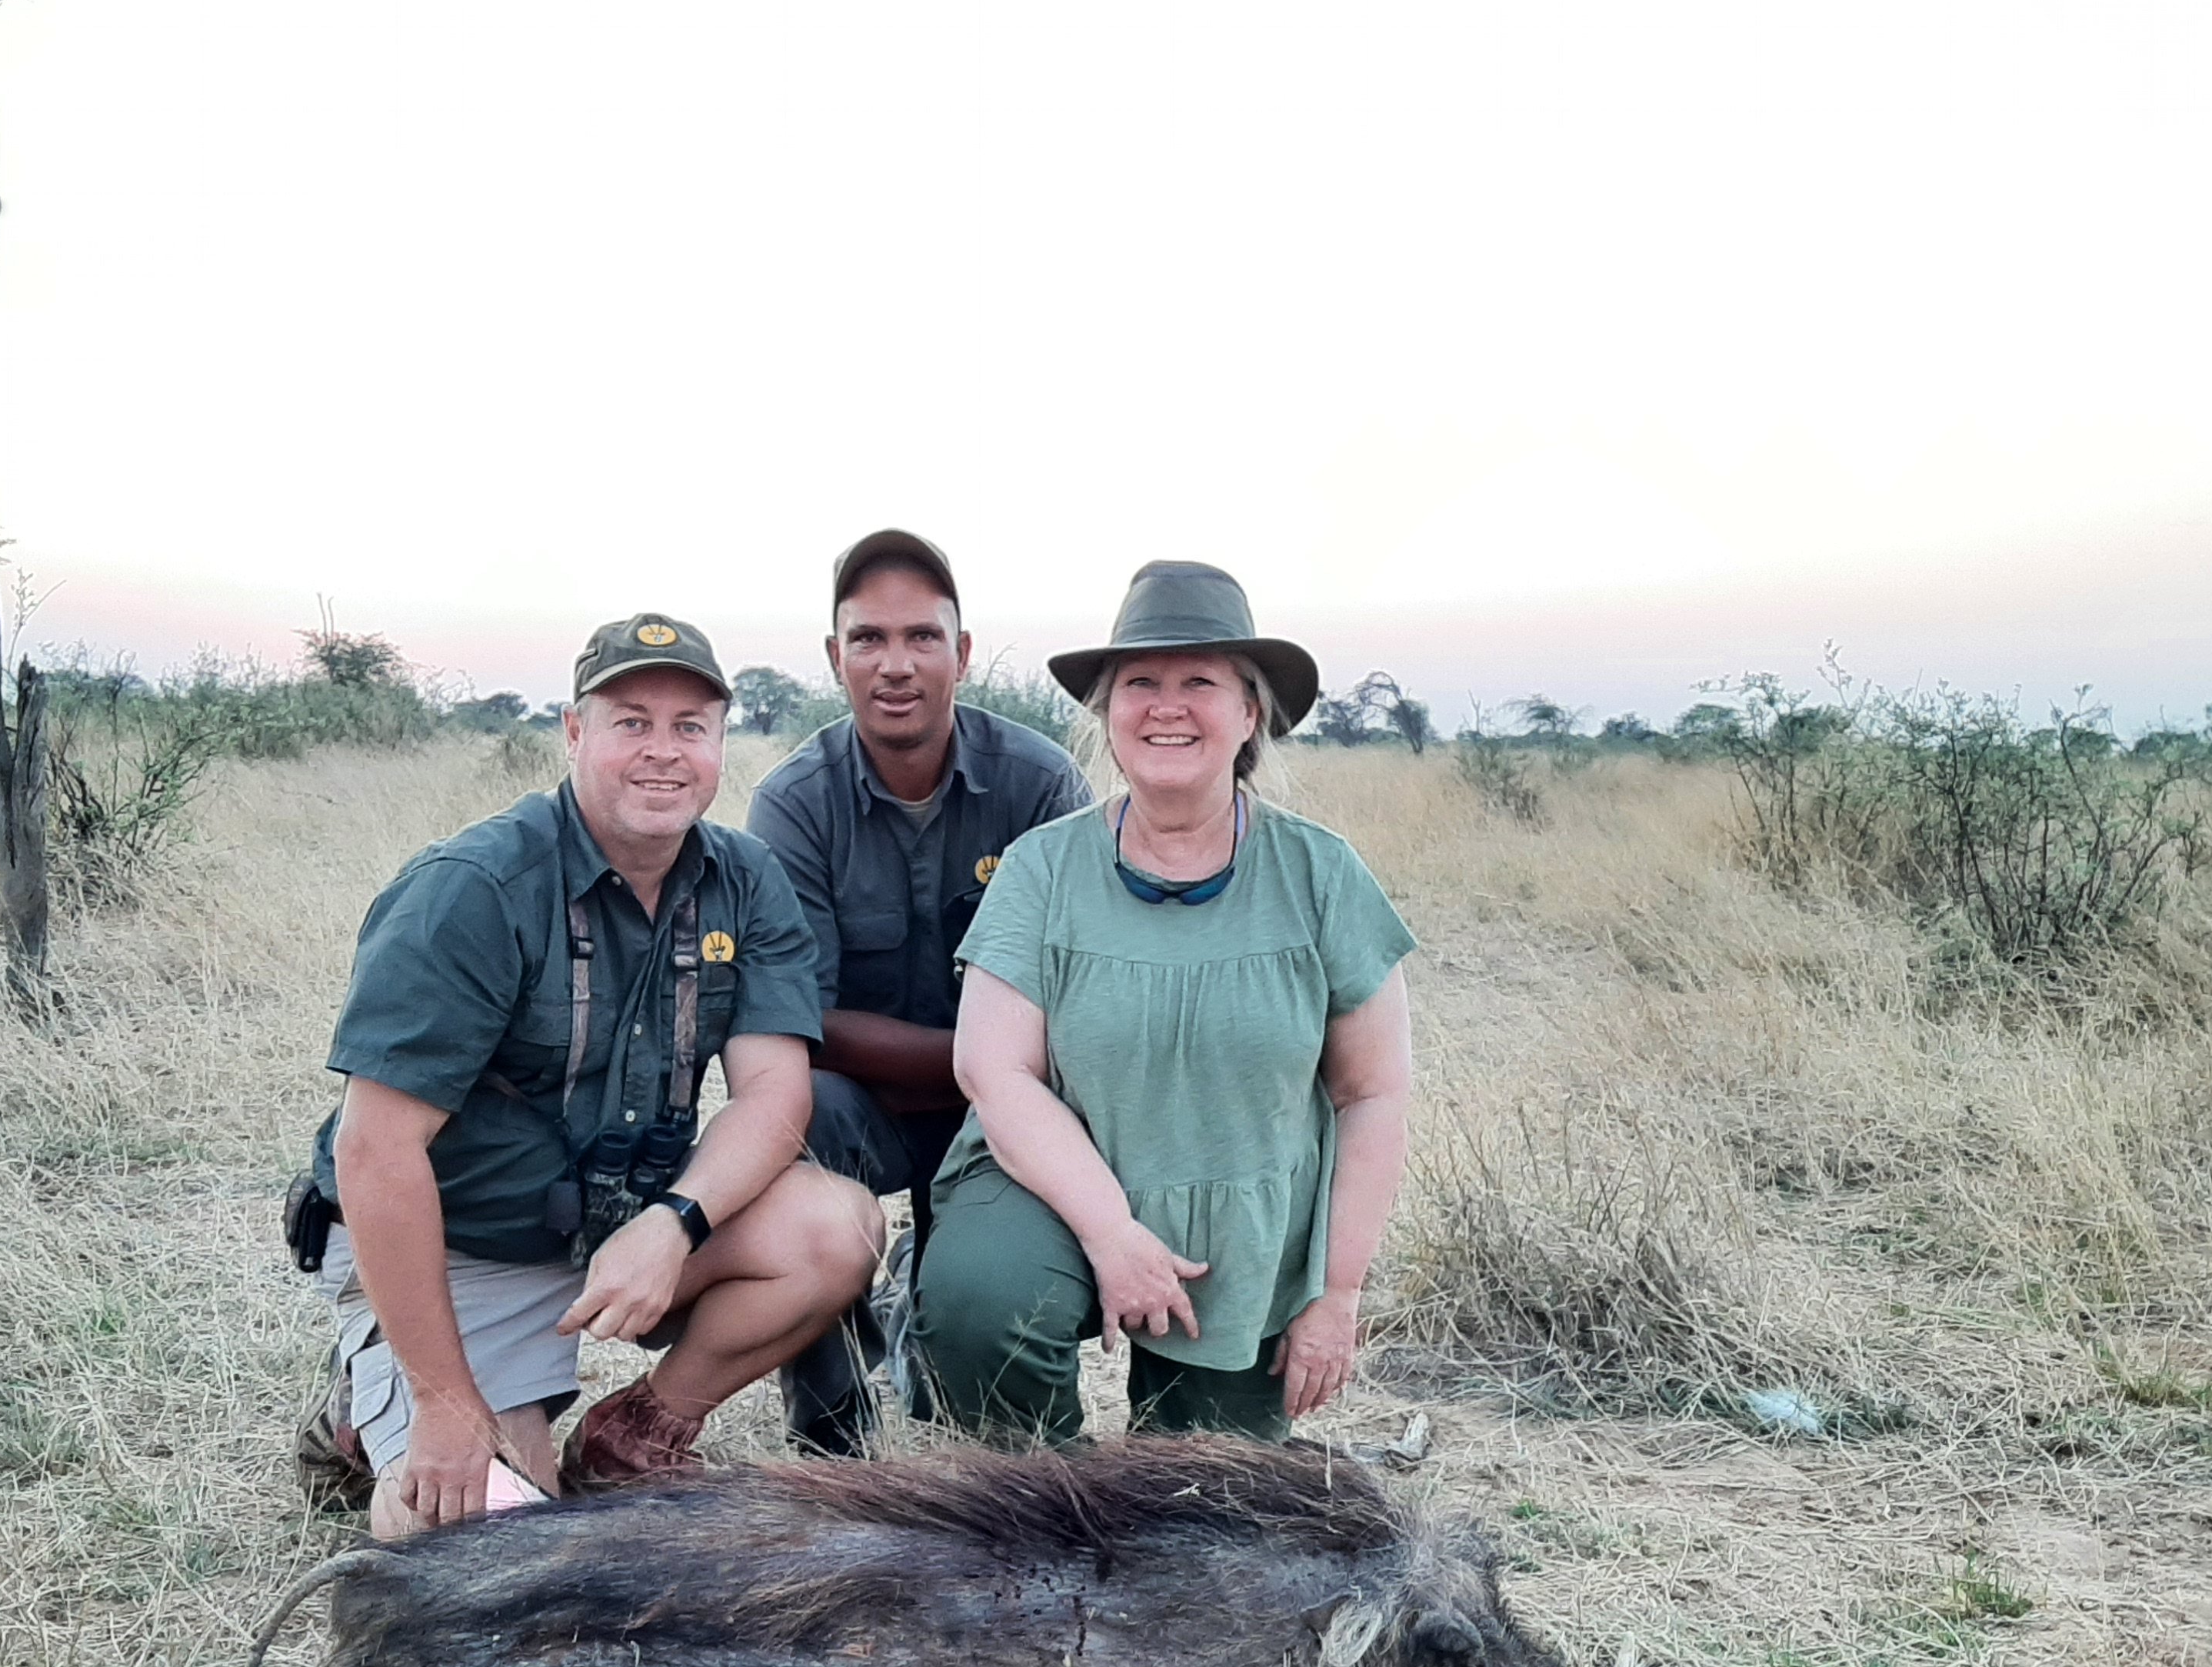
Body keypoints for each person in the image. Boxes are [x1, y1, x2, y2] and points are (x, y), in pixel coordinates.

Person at [294, 614, 884, 1535]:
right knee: (479, 1529)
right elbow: (376, 1151)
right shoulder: (474, 887)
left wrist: (674, 1223)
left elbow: (775, 1096)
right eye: (631, 722)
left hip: (619, 1224)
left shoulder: (746, 878)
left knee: (838, 1224)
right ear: (575, 732)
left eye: (691, 726)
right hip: (463, 1244)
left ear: (723, 740)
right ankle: (382, 1404)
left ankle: (637, 1438)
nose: (664, 752)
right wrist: (446, 1401)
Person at [914, 561, 1416, 1444]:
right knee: (982, 1309)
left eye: (1201, 683)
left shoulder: (1322, 875)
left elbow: (1371, 1094)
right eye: (1140, 683)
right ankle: (1046, 1510)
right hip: (1058, 1180)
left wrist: (1335, 1296)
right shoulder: (1042, 866)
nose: (1167, 706)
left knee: (1209, 1505)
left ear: (1250, 712)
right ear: (1108, 714)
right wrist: (1112, 1235)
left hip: (1239, 1212)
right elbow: (991, 1071)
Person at [745, 529, 1088, 1452]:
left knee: (957, 1372)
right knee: (787, 1111)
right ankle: (831, 1432)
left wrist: (1001, 1076)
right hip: (881, 1103)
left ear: (963, 654)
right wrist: (985, 1061)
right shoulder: (792, 803)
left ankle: (981, 1407)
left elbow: (1077, 1008)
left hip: (1003, 1114)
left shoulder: (1043, 783)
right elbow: (799, 1019)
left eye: (922, 638)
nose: (895, 666)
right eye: (868, 639)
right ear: (835, 658)